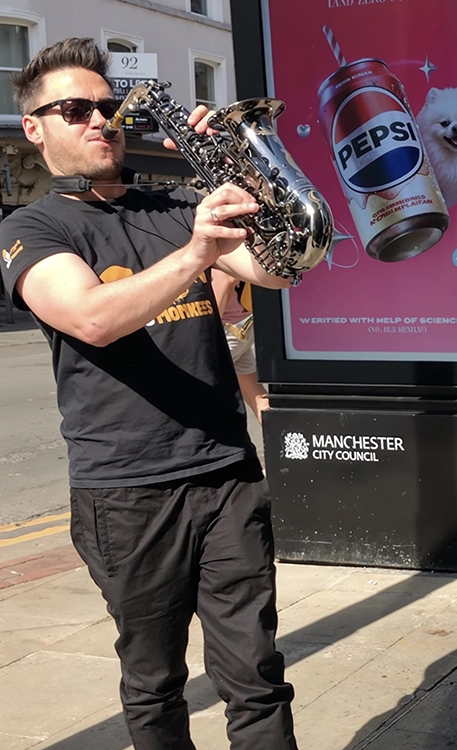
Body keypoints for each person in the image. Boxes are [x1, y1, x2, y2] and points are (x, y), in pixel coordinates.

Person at [0, 38, 299, 748]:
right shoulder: (32, 227)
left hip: (225, 473)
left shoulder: (177, 204)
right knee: (155, 680)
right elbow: (92, 319)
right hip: (125, 493)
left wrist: (248, 171)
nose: (101, 121)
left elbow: (280, 271)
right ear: (36, 128)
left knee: (256, 672)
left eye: (109, 107)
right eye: (76, 110)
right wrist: (196, 252)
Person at [211, 269, 269, 423]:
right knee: (257, 397)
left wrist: (206, 331)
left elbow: (225, 278)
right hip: (240, 324)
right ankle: (285, 439)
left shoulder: (216, 244)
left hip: (223, 325)